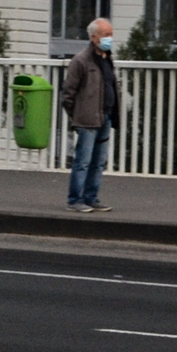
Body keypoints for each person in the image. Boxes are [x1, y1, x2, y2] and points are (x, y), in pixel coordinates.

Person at [61, 17, 117, 213]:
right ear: (94, 37)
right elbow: (68, 93)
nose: (109, 38)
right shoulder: (81, 61)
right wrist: (77, 115)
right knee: (83, 161)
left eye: (111, 34)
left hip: (105, 117)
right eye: (106, 35)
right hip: (87, 119)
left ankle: (91, 197)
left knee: (99, 162)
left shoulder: (107, 59)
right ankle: (74, 199)